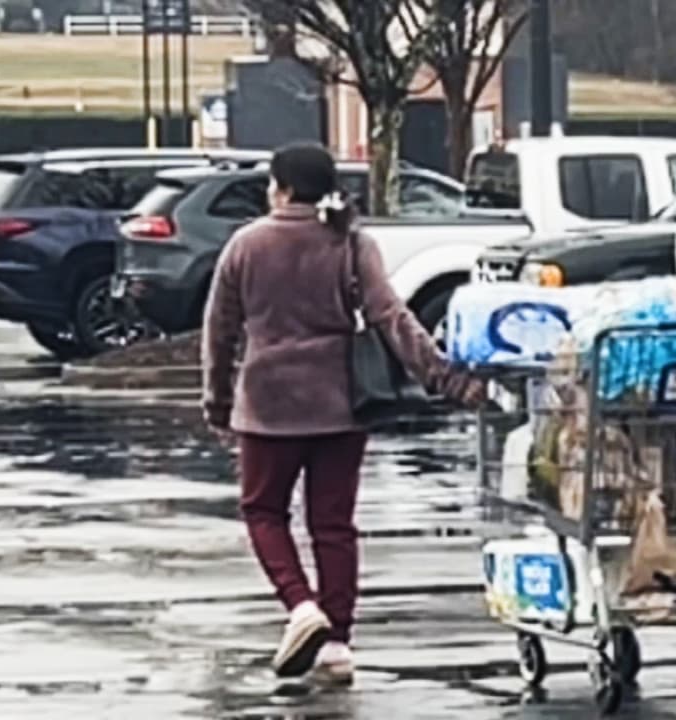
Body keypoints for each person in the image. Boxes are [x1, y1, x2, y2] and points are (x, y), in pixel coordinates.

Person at [201, 142, 484, 684]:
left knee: (264, 513)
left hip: (267, 407)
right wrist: (445, 377)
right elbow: (392, 318)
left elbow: (219, 333)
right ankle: (337, 644)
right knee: (333, 525)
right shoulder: (351, 242)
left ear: (281, 188)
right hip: (340, 404)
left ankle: (301, 606)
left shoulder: (245, 245)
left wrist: (216, 402)